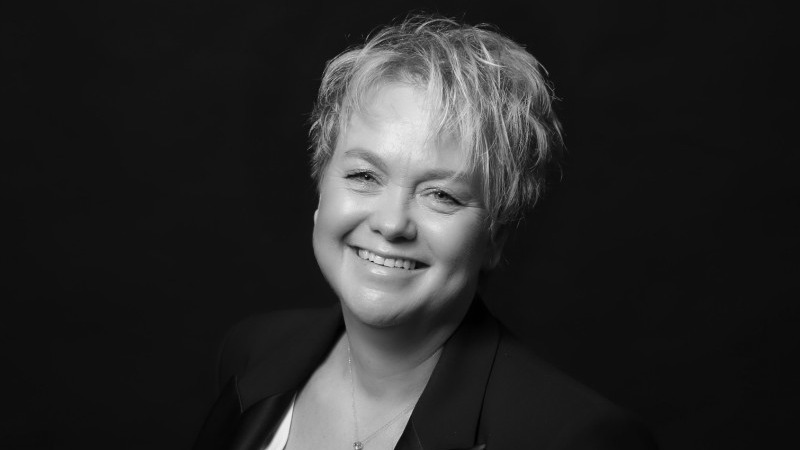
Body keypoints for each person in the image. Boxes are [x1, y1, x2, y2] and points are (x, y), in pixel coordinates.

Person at [193, 14, 658, 450]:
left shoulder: (574, 437)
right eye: (364, 176)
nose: (392, 223)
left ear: (494, 238)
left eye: (441, 195)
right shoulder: (252, 352)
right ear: (320, 191)